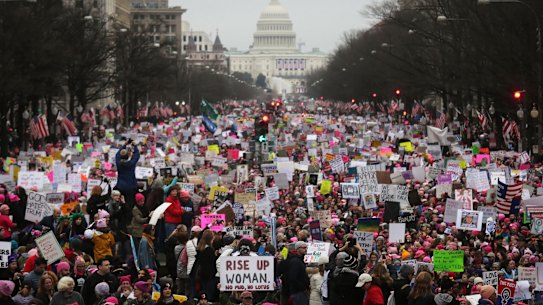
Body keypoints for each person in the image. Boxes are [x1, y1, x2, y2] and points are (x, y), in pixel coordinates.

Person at [192, 230, 217, 301]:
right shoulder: (210, 250)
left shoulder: (200, 249)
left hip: (201, 274)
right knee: (209, 293)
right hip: (209, 275)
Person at [286, 241, 310, 305]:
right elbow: (293, 278)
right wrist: (302, 287)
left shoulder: (300, 260)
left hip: (299, 291)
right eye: (304, 248)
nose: (306, 249)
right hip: (298, 292)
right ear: (298, 249)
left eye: (306, 247)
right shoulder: (295, 261)